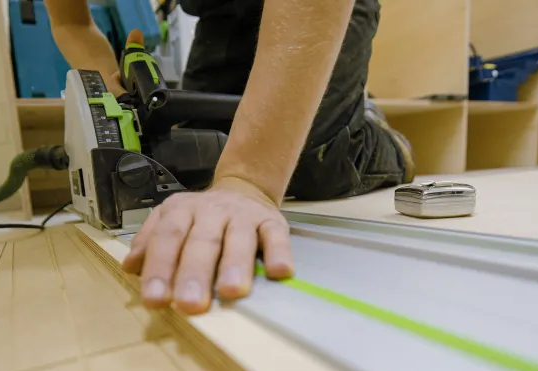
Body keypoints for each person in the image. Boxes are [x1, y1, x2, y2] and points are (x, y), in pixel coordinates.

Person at [45, 0, 415, 315]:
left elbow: (251, 173)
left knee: (312, 161)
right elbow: (70, 22)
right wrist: (109, 84)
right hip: (219, 12)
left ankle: (373, 135)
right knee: (203, 154)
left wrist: (248, 181)